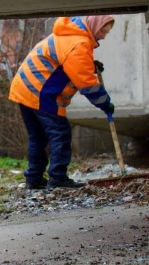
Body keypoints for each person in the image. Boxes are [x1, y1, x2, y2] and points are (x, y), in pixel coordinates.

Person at [9, 15, 116, 189]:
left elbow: (64, 61)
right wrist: (105, 103)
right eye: (103, 30)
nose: (104, 35)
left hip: (25, 87)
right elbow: (87, 84)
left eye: (107, 32)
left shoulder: (69, 33)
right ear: (94, 25)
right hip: (41, 92)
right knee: (60, 133)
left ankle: (34, 179)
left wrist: (90, 64)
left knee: (38, 136)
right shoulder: (79, 44)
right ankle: (58, 178)